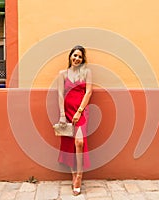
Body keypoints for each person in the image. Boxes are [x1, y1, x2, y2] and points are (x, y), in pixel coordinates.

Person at [57, 45, 92, 196]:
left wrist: (79, 111)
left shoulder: (87, 73)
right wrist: (62, 115)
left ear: (83, 59)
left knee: (79, 142)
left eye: (80, 56)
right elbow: (59, 94)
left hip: (81, 111)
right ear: (70, 56)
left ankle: (79, 175)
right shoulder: (62, 74)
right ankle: (73, 174)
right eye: (75, 55)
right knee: (69, 143)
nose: (77, 59)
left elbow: (89, 92)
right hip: (67, 112)